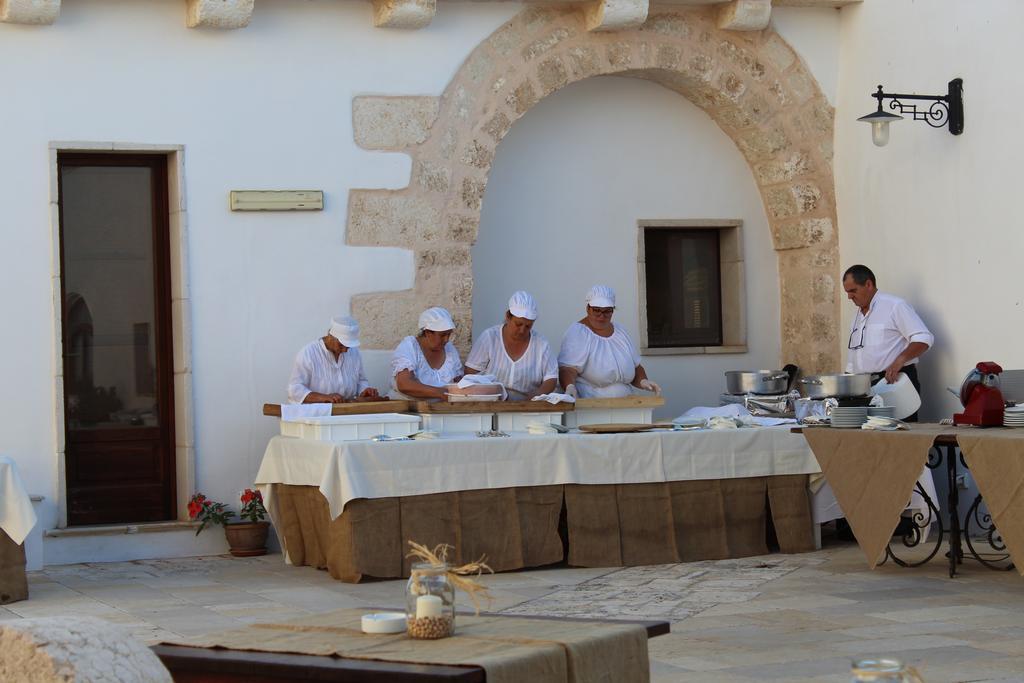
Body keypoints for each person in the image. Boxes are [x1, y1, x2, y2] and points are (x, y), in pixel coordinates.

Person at [842, 264, 933, 420]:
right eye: (847, 292)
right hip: (865, 389)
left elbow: (924, 338)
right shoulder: (857, 316)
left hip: (895, 384)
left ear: (868, 284)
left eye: (853, 291)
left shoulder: (895, 306)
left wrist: (900, 360)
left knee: (900, 439)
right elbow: (854, 355)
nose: (849, 297)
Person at [557, 285, 661, 399]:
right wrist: (569, 386)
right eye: (597, 310)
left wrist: (643, 381)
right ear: (588, 308)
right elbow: (567, 369)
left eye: (607, 311)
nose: (601, 316)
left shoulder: (620, 331)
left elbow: (636, 367)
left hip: (626, 402)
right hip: (591, 404)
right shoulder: (577, 332)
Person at [464, 291, 558, 401]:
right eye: (518, 324)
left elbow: (551, 379)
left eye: (528, 326)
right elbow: (470, 373)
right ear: (508, 316)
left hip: (527, 406)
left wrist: (535, 395)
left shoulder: (541, 344)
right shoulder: (489, 338)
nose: (522, 330)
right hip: (491, 404)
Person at [287, 316, 379, 404]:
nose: (345, 350)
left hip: (348, 412)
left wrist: (364, 391)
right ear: (330, 336)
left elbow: (361, 380)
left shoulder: (354, 352)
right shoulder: (308, 353)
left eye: (348, 346)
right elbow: (294, 389)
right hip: (318, 415)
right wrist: (323, 397)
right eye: (341, 345)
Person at [390, 307, 464, 400]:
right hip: (408, 409)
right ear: (428, 333)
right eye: (442, 335)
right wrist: (440, 393)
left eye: (449, 334)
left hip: (442, 410)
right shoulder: (410, 346)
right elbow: (404, 384)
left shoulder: (449, 348)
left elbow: (459, 382)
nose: (446, 339)